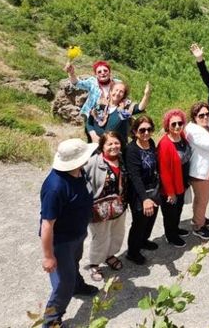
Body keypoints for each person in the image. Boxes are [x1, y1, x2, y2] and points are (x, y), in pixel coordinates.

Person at [40, 138, 99, 327]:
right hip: (61, 242)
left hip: (77, 234)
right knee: (62, 284)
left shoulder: (79, 172)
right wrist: (48, 257)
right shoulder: (55, 187)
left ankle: (77, 286)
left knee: (74, 264)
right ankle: (50, 321)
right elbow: (47, 224)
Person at [84, 132, 127, 281]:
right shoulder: (94, 162)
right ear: (102, 146)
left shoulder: (121, 159)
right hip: (99, 209)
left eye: (116, 143)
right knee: (100, 237)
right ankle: (94, 264)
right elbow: (81, 180)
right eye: (109, 144)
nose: (114, 146)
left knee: (117, 233)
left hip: (118, 206)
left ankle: (110, 255)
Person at [125, 116, 160, 265]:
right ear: (134, 131)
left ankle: (143, 241)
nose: (146, 133)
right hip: (139, 192)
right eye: (142, 130)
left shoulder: (151, 143)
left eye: (149, 129)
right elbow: (135, 176)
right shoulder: (131, 150)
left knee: (151, 218)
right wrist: (145, 198)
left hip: (153, 188)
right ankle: (132, 252)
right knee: (139, 222)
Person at [185, 102, 209, 240]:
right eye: (201, 115)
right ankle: (198, 226)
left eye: (207, 114)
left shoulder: (202, 126)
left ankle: (199, 218)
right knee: (202, 200)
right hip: (199, 172)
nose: (205, 117)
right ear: (194, 116)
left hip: (208, 171)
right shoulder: (193, 130)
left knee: (202, 199)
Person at [157, 109, 191, 248]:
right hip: (170, 187)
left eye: (180, 123)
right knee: (170, 213)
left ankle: (175, 229)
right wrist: (170, 192)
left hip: (182, 182)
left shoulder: (181, 136)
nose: (177, 126)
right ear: (167, 126)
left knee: (178, 209)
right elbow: (164, 172)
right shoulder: (165, 144)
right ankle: (171, 236)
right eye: (174, 124)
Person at [64, 60, 121, 140]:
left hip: (110, 115)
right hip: (92, 117)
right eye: (99, 71)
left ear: (109, 72)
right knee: (93, 140)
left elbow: (124, 96)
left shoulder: (117, 83)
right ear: (96, 74)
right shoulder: (92, 82)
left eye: (105, 70)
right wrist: (71, 73)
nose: (103, 73)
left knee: (110, 139)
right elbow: (77, 83)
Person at [86, 81, 151, 144]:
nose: (117, 93)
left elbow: (140, 107)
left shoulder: (125, 109)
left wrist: (146, 95)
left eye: (121, 92)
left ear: (123, 95)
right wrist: (93, 135)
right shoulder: (100, 105)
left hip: (116, 148)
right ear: (111, 91)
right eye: (116, 90)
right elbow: (89, 123)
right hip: (97, 145)